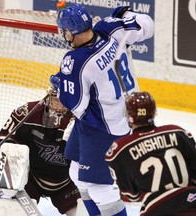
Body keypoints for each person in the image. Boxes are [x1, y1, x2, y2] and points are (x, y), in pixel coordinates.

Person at [50, 3, 154, 216]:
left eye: (64, 30)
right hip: (118, 114)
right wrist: (127, 14)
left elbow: (76, 105)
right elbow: (148, 25)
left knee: (99, 186)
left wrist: (60, 85)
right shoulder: (111, 28)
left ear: (69, 32)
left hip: (103, 126)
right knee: (76, 172)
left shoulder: (75, 61)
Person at [106, 91, 196, 216]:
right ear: (153, 112)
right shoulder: (179, 133)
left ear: (129, 116)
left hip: (156, 210)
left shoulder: (119, 150)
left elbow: (131, 196)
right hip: (191, 203)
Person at [0, 89, 81, 216]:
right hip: (30, 180)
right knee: (14, 213)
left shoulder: (81, 121)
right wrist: (10, 159)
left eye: (65, 102)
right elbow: (3, 141)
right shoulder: (28, 112)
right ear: (48, 97)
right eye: (56, 100)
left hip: (67, 183)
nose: (60, 106)